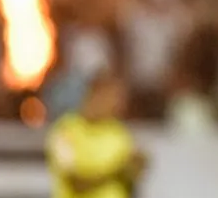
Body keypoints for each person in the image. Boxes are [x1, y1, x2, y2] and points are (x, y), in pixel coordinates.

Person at [46, 70, 147, 198]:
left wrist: (136, 167)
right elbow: (76, 182)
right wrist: (116, 171)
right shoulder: (65, 132)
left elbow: (130, 179)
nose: (119, 106)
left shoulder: (120, 133)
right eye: (114, 97)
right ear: (96, 94)